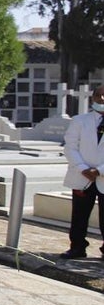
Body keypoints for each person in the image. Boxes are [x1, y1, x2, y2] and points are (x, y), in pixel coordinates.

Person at [60, 84, 104, 259]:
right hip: (82, 176)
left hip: (102, 176)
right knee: (79, 215)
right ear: (93, 98)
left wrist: (99, 171)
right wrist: (83, 169)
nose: (102, 99)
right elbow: (70, 147)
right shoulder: (80, 121)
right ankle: (77, 247)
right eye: (98, 95)